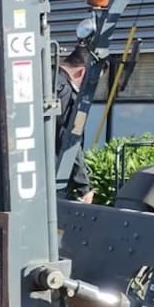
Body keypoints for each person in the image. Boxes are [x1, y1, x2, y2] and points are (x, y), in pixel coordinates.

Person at [54, 46, 94, 203]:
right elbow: (70, 140)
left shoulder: (44, 79)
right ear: (82, 72)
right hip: (55, 180)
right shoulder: (68, 94)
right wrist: (84, 186)